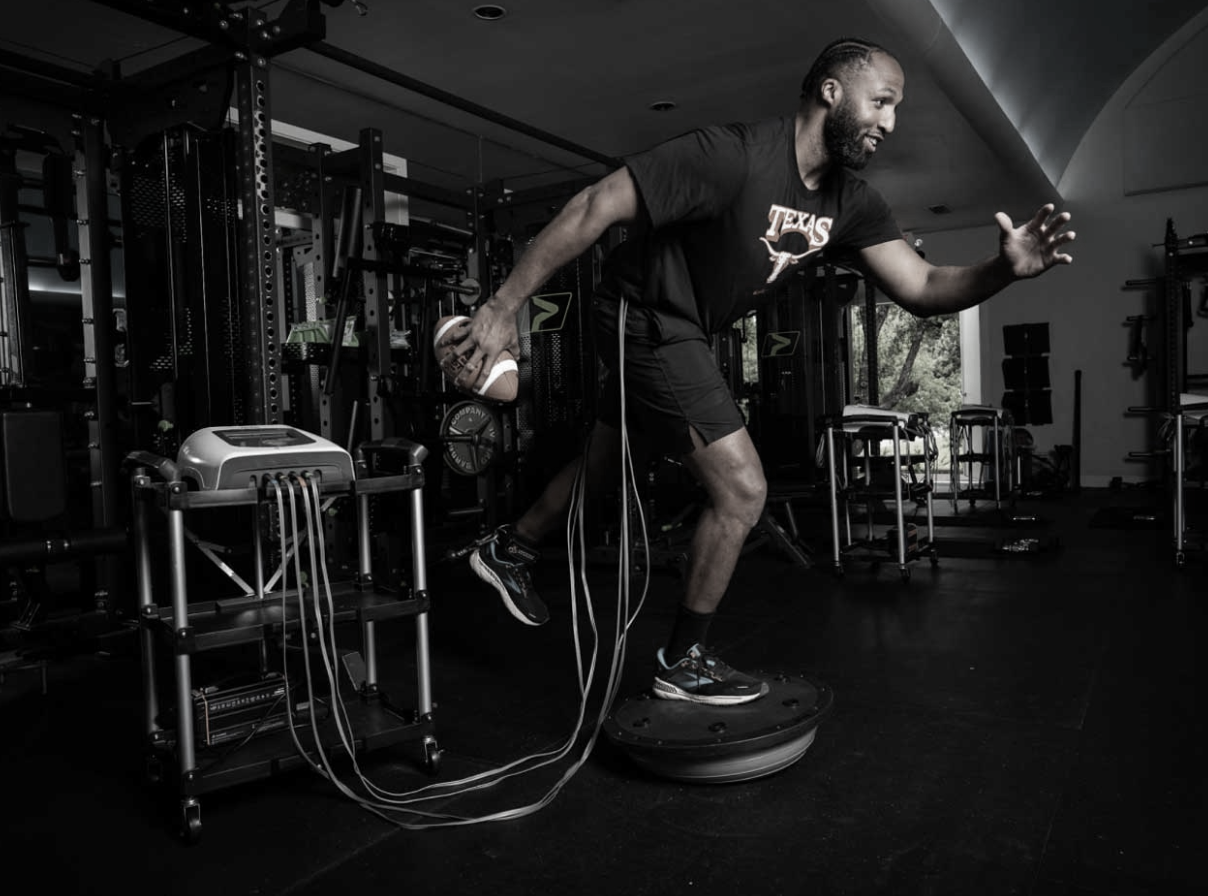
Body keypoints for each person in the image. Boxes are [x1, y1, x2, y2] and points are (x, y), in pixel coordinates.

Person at [438, 37, 1075, 707]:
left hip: (684, 327)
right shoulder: (732, 155)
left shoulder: (851, 203)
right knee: (742, 490)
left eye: (896, 109)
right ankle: (681, 661)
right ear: (831, 90)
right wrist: (503, 308)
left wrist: (1002, 269)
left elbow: (920, 285)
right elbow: (594, 207)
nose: (890, 122)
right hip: (642, 313)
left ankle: (512, 546)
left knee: (613, 449)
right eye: (882, 101)